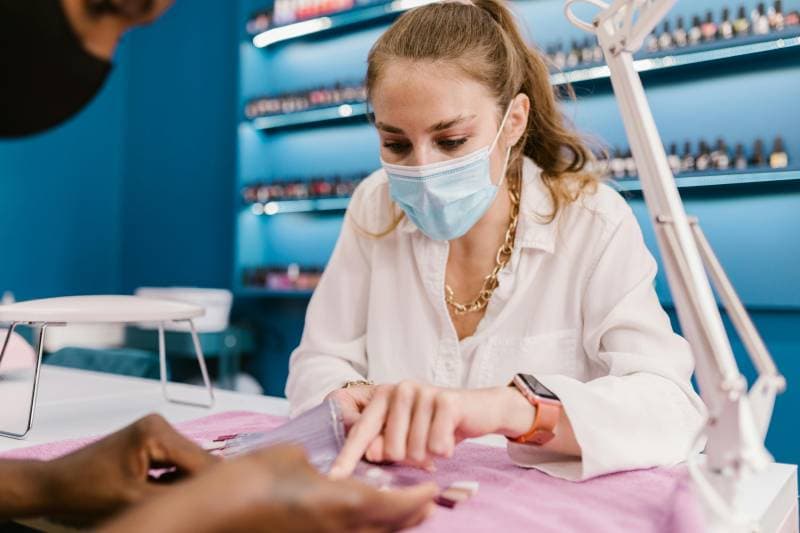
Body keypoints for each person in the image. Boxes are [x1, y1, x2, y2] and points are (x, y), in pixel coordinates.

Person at [0, 1, 438, 529]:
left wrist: (43, 483)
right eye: (100, 9)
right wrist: (201, 512)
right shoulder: (374, 203)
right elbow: (319, 363)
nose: (101, 54)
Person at [285, 0, 705, 481]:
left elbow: (670, 406)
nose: (423, 169)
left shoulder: (591, 222)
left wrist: (514, 408)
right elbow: (319, 359)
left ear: (514, 121)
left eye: (452, 141)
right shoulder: (375, 205)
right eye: (396, 144)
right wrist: (342, 399)